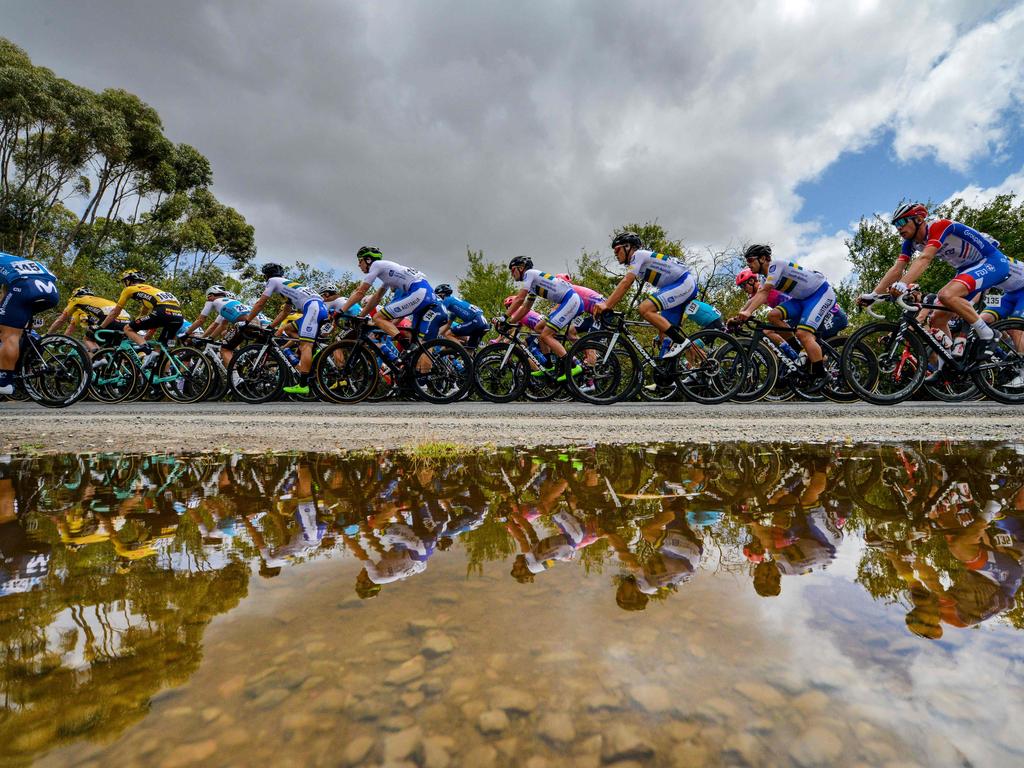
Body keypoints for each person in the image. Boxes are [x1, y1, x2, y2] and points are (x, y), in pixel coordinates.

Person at [862, 203, 1010, 359]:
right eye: (895, 224)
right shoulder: (910, 242)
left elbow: (925, 258)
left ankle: (988, 334)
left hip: (991, 262)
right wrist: (873, 295)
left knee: (946, 294)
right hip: (966, 269)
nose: (898, 228)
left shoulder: (939, 226)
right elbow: (897, 268)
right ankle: (950, 364)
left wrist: (903, 284)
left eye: (901, 222)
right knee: (937, 319)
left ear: (919, 219)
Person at [729, 245, 835, 382]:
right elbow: (757, 297)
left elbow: (764, 293)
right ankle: (798, 350)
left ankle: (823, 375)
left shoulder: (775, 266)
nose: (748, 265)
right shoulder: (764, 279)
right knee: (773, 315)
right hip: (802, 299)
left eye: (750, 260)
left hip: (820, 294)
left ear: (762, 259)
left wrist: (748, 312)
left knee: (803, 334)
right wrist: (739, 317)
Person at [591, 232, 698, 358]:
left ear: (627, 247)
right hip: (675, 286)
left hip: (683, 282)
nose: (615, 254)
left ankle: (683, 343)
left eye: (617, 250)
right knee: (664, 336)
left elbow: (626, 282)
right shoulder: (639, 261)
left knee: (644, 308)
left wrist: (606, 304)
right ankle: (701, 364)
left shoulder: (638, 255)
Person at [242, 264, 327, 395]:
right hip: (318, 308)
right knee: (289, 329)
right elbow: (286, 311)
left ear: (267, 276)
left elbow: (260, 303)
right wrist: (271, 326)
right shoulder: (288, 286)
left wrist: (247, 321)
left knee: (306, 345)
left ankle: (303, 384)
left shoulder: (273, 281)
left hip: (312, 309)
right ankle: (310, 356)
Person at [338, 247, 447, 344]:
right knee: (417, 341)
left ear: (368, 260)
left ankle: (404, 344)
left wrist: (340, 311)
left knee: (378, 317)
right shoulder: (387, 272)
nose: (358, 265)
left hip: (419, 292)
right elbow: (376, 298)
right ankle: (414, 358)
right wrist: (361, 316)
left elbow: (360, 292)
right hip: (426, 293)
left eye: (360, 261)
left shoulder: (376, 265)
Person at [735, 266, 848, 361]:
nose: (743, 289)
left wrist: (742, 314)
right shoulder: (755, 294)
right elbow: (749, 303)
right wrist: (738, 318)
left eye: (743, 285)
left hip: (799, 311)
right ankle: (795, 352)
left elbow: (752, 301)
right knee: (769, 329)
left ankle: (795, 352)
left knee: (768, 330)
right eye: (740, 287)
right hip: (792, 314)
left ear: (752, 280)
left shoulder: (762, 286)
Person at [505, 256, 584, 381]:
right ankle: (548, 365)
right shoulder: (532, 285)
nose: (511, 274)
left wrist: (504, 317)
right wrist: (509, 323)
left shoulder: (529, 274)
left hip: (570, 300)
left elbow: (519, 299)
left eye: (512, 270)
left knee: (545, 335)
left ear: (521, 268)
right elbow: (526, 308)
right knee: (539, 328)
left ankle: (572, 365)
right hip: (567, 301)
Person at [0, 251, 60, 395]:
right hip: (51, 290)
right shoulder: (11, 259)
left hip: (25, 286)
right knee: (18, 327)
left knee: (8, 334)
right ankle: (24, 364)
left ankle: (4, 381)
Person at [99, 270, 184, 370]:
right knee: (163, 348)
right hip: (178, 316)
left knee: (127, 328)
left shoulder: (129, 289)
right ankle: (165, 378)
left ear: (128, 281)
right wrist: (136, 325)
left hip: (163, 312)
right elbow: (143, 313)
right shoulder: (151, 289)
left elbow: (115, 313)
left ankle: (147, 351)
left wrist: (100, 327)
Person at [186, 285, 270, 366]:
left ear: (211, 295)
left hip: (245, 324)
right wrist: (211, 338)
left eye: (208, 297)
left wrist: (187, 334)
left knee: (225, 349)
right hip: (257, 324)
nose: (207, 299)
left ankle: (234, 378)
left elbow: (202, 321)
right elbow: (222, 325)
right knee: (232, 339)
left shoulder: (213, 302)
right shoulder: (234, 303)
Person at [48, 287, 131, 353]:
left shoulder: (77, 302)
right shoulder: (100, 301)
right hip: (126, 321)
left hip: (110, 320)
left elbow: (65, 323)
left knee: (87, 339)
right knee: (110, 350)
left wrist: (49, 335)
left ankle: (99, 359)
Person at [434, 283, 490, 349]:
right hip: (483, 323)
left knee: (448, 334)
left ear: (442, 294)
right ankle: (467, 355)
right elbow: (448, 325)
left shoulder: (447, 300)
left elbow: (437, 313)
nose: (437, 299)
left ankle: (461, 352)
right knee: (469, 352)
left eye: (437, 296)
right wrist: (437, 334)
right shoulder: (455, 304)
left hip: (475, 321)